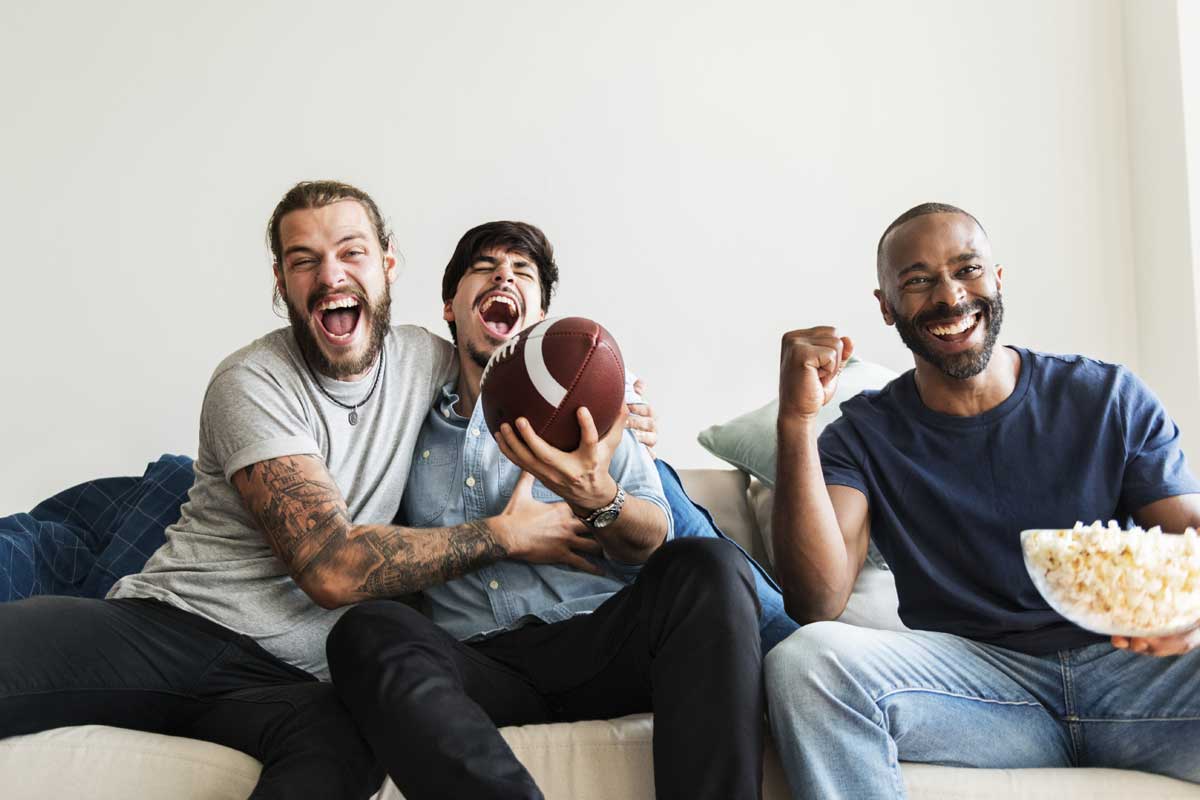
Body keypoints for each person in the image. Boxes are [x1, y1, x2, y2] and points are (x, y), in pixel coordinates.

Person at [0, 181, 658, 799]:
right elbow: (330, 567)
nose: (331, 275)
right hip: (172, 629)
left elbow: (517, 374)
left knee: (346, 751)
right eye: (304, 260)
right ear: (283, 282)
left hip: (298, 685)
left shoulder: (429, 361)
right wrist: (502, 537)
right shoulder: (252, 381)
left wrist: (615, 409)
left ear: (388, 267)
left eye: (351, 252)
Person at [765, 202, 1200, 798]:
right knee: (804, 661)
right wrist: (795, 421)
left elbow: (1189, 533)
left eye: (967, 269)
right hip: (979, 693)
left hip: (1135, 681)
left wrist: (1192, 618)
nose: (949, 296)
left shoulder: (1106, 397)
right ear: (886, 306)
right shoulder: (862, 436)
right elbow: (816, 599)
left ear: (997, 279)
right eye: (918, 280)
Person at [326, 221, 765, 800]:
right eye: (484, 267)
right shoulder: (404, 418)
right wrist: (502, 535)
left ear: (537, 321)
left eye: (522, 271)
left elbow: (653, 538)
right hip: (480, 663)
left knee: (708, 566)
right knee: (366, 631)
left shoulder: (594, 408)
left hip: (601, 644)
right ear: (450, 308)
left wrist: (596, 496)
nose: (503, 274)